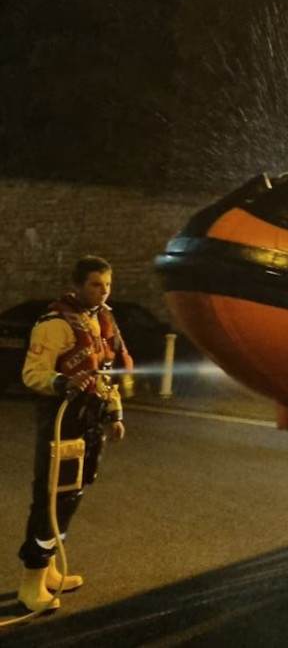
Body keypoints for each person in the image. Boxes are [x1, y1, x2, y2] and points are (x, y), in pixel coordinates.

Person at [16, 255, 133, 612]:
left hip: (91, 420)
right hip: (61, 418)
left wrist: (115, 413)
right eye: (96, 284)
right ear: (79, 285)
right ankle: (32, 579)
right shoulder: (54, 325)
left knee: (73, 494)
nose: (103, 291)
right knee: (51, 496)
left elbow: (107, 371)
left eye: (108, 285)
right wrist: (63, 381)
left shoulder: (103, 321)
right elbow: (33, 372)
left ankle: (51, 568)